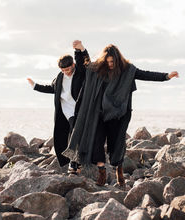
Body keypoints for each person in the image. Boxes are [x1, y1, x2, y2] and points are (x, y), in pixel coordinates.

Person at [63, 44, 179, 186]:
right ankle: (102, 173)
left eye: (112, 62)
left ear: (118, 60)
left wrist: (166, 76)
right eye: (108, 62)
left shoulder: (127, 70)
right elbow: (84, 63)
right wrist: (80, 50)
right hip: (98, 114)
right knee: (97, 142)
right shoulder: (98, 69)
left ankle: (119, 168)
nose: (110, 64)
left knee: (116, 143)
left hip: (117, 114)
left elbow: (145, 74)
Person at [27, 40, 89, 174]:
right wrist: (35, 86)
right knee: (64, 137)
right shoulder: (60, 77)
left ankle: (74, 163)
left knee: (74, 135)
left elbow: (83, 63)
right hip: (65, 111)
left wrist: (80, 50)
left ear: (72, 65)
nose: (66, 72)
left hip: (78, 110)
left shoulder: (79, 73)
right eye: (63, 70)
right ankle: (73, 162)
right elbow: (52, 88)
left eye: (68, 69)